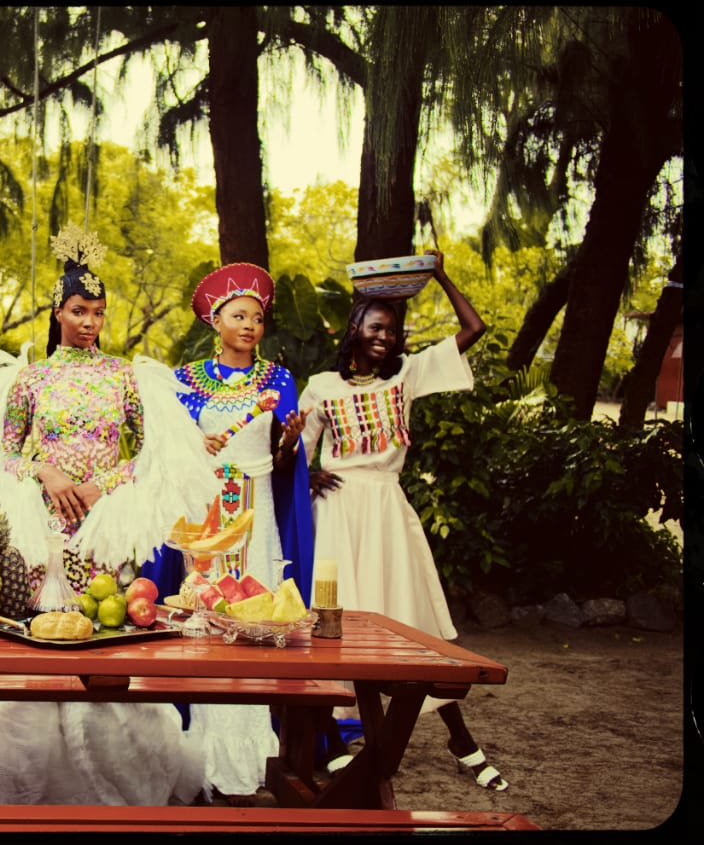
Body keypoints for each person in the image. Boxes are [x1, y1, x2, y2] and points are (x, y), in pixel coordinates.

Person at [0, 224, 217, 805]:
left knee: (105, 641)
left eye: (97, 311)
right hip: (42, 529)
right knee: (42, 648)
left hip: (103, 528)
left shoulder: (127, 377)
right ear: (57, 312)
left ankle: (117, 782)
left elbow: (145, 456)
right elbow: (4, 456)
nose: (90, 322)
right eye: (78, 310)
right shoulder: (29, 379)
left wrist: (100, 485)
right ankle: (32, 785)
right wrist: (49, 473)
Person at [298, 250, 507, 791]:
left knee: (408, 626)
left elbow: (475, 328)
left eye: (392, 330)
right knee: (336, 624)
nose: (385, 337)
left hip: (387, 512)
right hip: (338, 516)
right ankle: (347, 740)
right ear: (355, 328)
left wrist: (435, 274)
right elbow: (295, 451)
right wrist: (308, 476)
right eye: (375, 326)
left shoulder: (406, 377)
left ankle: (460, 740)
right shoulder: (322, 385)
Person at [150, 262, 316, 803]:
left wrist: (290, 441)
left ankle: (254, 754)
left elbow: (285, 456)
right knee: (204, 622)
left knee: (257, 622)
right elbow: (166, 451)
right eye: (238, 315)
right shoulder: (184, 380)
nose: (250, 325)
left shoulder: (279, 380)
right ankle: (200, 749)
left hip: (259, 513)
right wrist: (197, 449)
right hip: (205, 521)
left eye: (257, 318)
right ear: (215, 321)